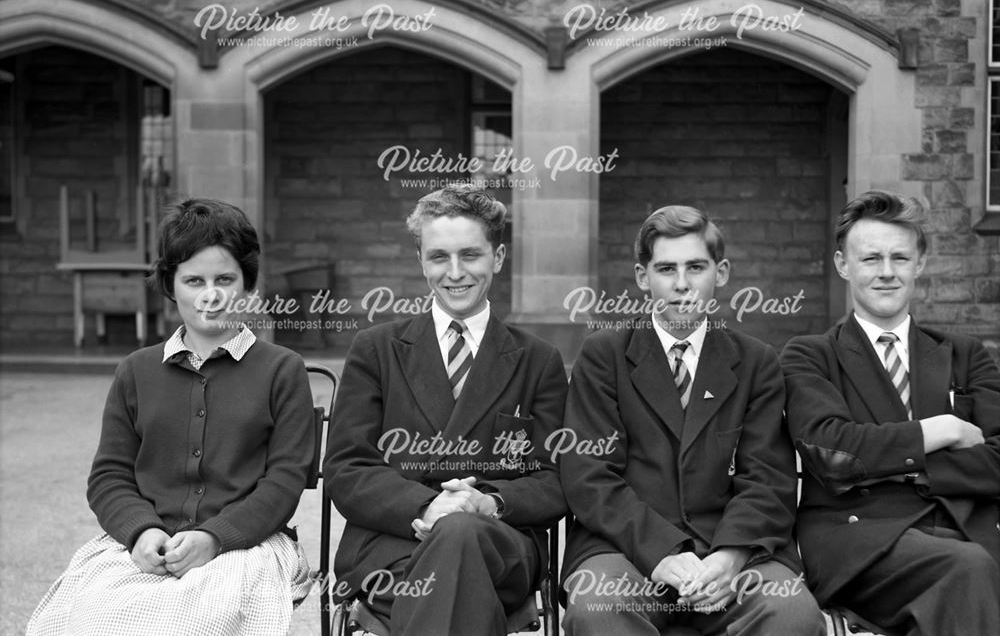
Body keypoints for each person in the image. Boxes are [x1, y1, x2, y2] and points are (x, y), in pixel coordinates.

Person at [27, 199, 315, 636]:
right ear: (170, 284)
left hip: (245, 545)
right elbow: (109, 476)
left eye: (225, 279)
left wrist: (215, 536)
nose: (210, 294)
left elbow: (284, 482)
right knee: (90, 619)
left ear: (247, 284)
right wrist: (140, 532)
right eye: (193, 280)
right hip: (147, 545)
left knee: (202, 621)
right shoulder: (136, 372)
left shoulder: (282, 370)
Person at [560, 205, 825, 635]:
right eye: (666, 268)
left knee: (792, 612)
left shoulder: (756, 362)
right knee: (596, 607)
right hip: (626, 552)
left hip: (733, 552)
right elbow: (589, 476)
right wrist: (661, 553)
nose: (682, 284)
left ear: (720, 273)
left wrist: (731, 555)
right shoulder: (603, 356)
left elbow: (769, 478)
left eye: (696, 267)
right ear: (643, 278)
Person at [324, 183, 568, 636]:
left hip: (501, 548)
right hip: (393, 545)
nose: (455, 273)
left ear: (497, 257)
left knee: (461, 534)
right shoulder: (376, 350)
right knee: (455, 559)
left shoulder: (539, 361)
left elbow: (555, 479)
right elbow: (346, 467)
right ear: (421, 261)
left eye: (470, 255)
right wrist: (428, 505)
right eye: (439, 257)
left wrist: (487, 502)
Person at [781, 190, 1000, 635]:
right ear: (844, 265)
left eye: (900, 258)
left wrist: (912, 470)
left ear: (919, 263)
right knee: (966, 569)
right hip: (858, 542)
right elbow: (833, 451)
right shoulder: (810, 356)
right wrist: (942, 429)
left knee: (967, 567)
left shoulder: (966, 355)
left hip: (964, 526)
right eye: (871, 259)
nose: (886, 272)